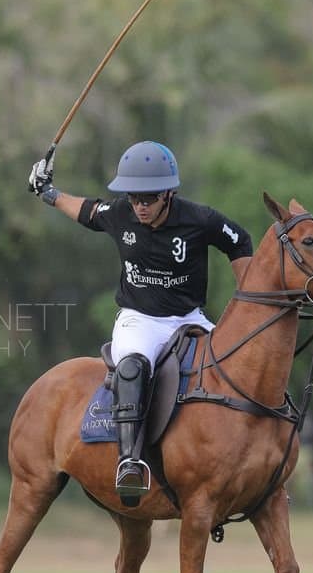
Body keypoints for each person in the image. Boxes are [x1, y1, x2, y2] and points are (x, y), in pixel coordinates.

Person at [29, 141, 252, 505]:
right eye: (134, 197)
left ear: (169, 194)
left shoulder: (200, 219)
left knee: (237, 368)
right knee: (132, 367)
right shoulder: (121, 214)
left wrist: (245, 296)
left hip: (189, 318)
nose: (140, 206)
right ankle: (130, 462)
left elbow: (240, 241)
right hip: (140, 320)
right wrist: (48, 193)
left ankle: (251, 462)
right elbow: (87, 211)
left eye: (149, 198)